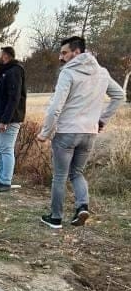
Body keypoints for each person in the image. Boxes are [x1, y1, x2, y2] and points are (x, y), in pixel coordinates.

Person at [37, 36, 125, 229]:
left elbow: (55, 107)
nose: (61, 57)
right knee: (77, 173)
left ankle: (55, 217)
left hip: (67, 131)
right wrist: (102, 119)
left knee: (60, 176)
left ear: (76, 52)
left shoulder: (68, 73)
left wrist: (45, 132)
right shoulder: (102, 73)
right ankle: (82, 206)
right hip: (89, 133)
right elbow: (119, 95)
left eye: (64, 53)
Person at [0, 46, 26, 192]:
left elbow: (13, 98)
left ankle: (5, 181)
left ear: (6, 56)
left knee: (6, 149)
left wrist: (5, 120)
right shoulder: (3, 72)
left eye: (0, 54)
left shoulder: (14, 71)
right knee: (0, 150)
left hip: (8, 120)